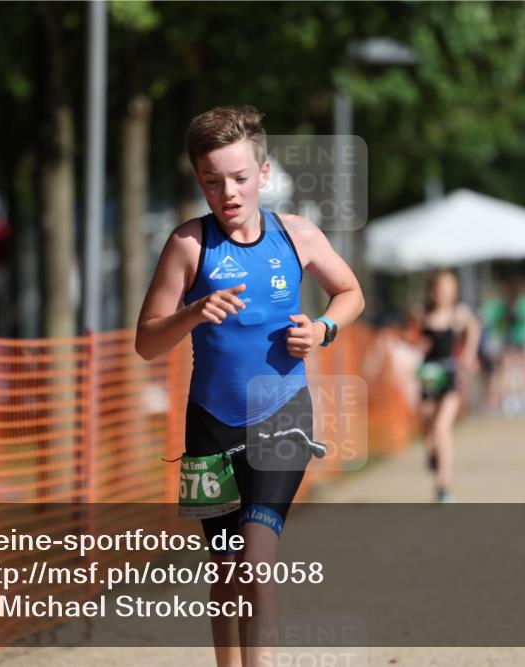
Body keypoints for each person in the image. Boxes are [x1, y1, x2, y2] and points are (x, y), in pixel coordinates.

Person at [134, 105, 364, 667]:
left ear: (262, 173)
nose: (228, 193)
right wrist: (193, 312)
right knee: (225, 569)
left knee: (256, 560)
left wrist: (322, 329)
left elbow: (350, 292)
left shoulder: (298, 236)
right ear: (199, 180)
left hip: (282, 416)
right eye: (212, 181)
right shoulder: (189, 245)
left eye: (239, 178)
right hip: (209, 425)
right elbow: (146, 341)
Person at [416, 272, 480, 503]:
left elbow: (474, 328)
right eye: (439, 289)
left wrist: (469, 353)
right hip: (427, 376)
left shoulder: (458, 313)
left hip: (449, 375)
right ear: (432, 291)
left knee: (442, 428)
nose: (442, 294)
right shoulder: (423, 315)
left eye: (447, 289)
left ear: (454, 292)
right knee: (429, 426)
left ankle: (443, 485)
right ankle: (432, 450)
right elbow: (413, 340)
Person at [503, 278, 525, 415]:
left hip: (523, 339)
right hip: (513, 339)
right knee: (510, 369)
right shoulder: (507, 303)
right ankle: (512, 397)